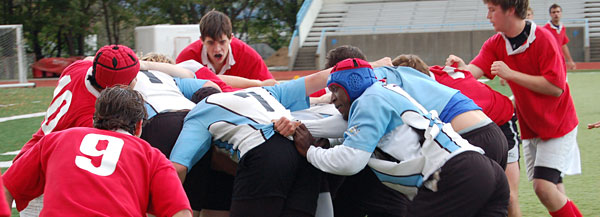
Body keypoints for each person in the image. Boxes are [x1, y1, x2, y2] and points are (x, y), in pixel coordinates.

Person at [289, 58, 509, 216]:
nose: (332, 99)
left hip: (452, 175)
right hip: (485, 170)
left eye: (335, 89)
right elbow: (344, 124)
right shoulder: (385, 92)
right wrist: (300, 127)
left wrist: (310, 150)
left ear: (353, 84)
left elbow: (350, 161)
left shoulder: (368, 101)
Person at [446, 0, 582, 216]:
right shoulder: (495, 43)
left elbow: (556, 87)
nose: (488, 17)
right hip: (530, 127)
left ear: (510, 11)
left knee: (543, 187)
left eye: (492, 10)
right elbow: (473, 72)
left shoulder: (544, 39)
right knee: (551, 190)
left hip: (558, 124)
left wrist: (510, 74)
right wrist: (460, 69)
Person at [2, 86, 192, 217]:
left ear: (94, 119)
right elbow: (180, 212)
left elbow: (6, 186)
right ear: (139, 126)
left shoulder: (55, 139)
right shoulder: (152, 156)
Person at [169, 65, 332, 217]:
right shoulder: (262, 91)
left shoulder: (200, 110)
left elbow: (178, 167)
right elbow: (317, 78)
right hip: (305, 148)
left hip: (267, 152)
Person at [393, 53, 522, 217]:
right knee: (494, 196)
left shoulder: (425, 88)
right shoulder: (436, 74)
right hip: (489, 128)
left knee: (500, 195)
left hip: (499, 123)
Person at [137, 53, 232, 217]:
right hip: (194, 119)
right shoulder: (175, 78)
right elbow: (213, 86)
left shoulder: (131, 76)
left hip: (156, 121)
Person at [176, 10, 277, 86]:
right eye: (211, 43)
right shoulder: (187, 59)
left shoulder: (248, 56)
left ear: (231, 38)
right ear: (201, 40)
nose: (217, 49)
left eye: (222, 42)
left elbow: (271, 86)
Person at [544, 3, 576, 70]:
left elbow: (563, 45)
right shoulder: (545, 29)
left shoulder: (562, 28)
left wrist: (570, 60)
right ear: (550, 14)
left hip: (561, 60)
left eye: (558, 12)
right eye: (553, 12)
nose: (556, 14)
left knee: (564, 79)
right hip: (550, 61)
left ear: (561, 13)